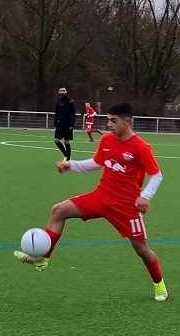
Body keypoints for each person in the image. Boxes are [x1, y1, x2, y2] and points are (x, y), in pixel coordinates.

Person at [14, 102, 169, 302]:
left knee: (142, 250)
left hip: (126, 207)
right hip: (101, 196)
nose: (109, 125)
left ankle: (159, 285)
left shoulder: (140, 147)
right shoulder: (106, 140)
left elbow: (156, 175)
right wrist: (71, 165)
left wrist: (145, 196)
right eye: (108, 120)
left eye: (114, 121)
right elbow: (96, 163)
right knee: (58, 210)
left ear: (127, 122)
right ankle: (43, 258)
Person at [53, 86, 76, 159]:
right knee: (56, 140)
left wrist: (72, 124)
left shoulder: (70, 101)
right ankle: (66, 154)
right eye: (61, 90)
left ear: (66, 92)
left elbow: (73, 113)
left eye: (64, 90)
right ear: (59, 92)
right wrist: (55, 122)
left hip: (68, 123)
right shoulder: (58, 101)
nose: (62, 92)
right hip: (60, 123)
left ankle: (68, 158)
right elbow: (57, 113)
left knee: (66, 141)